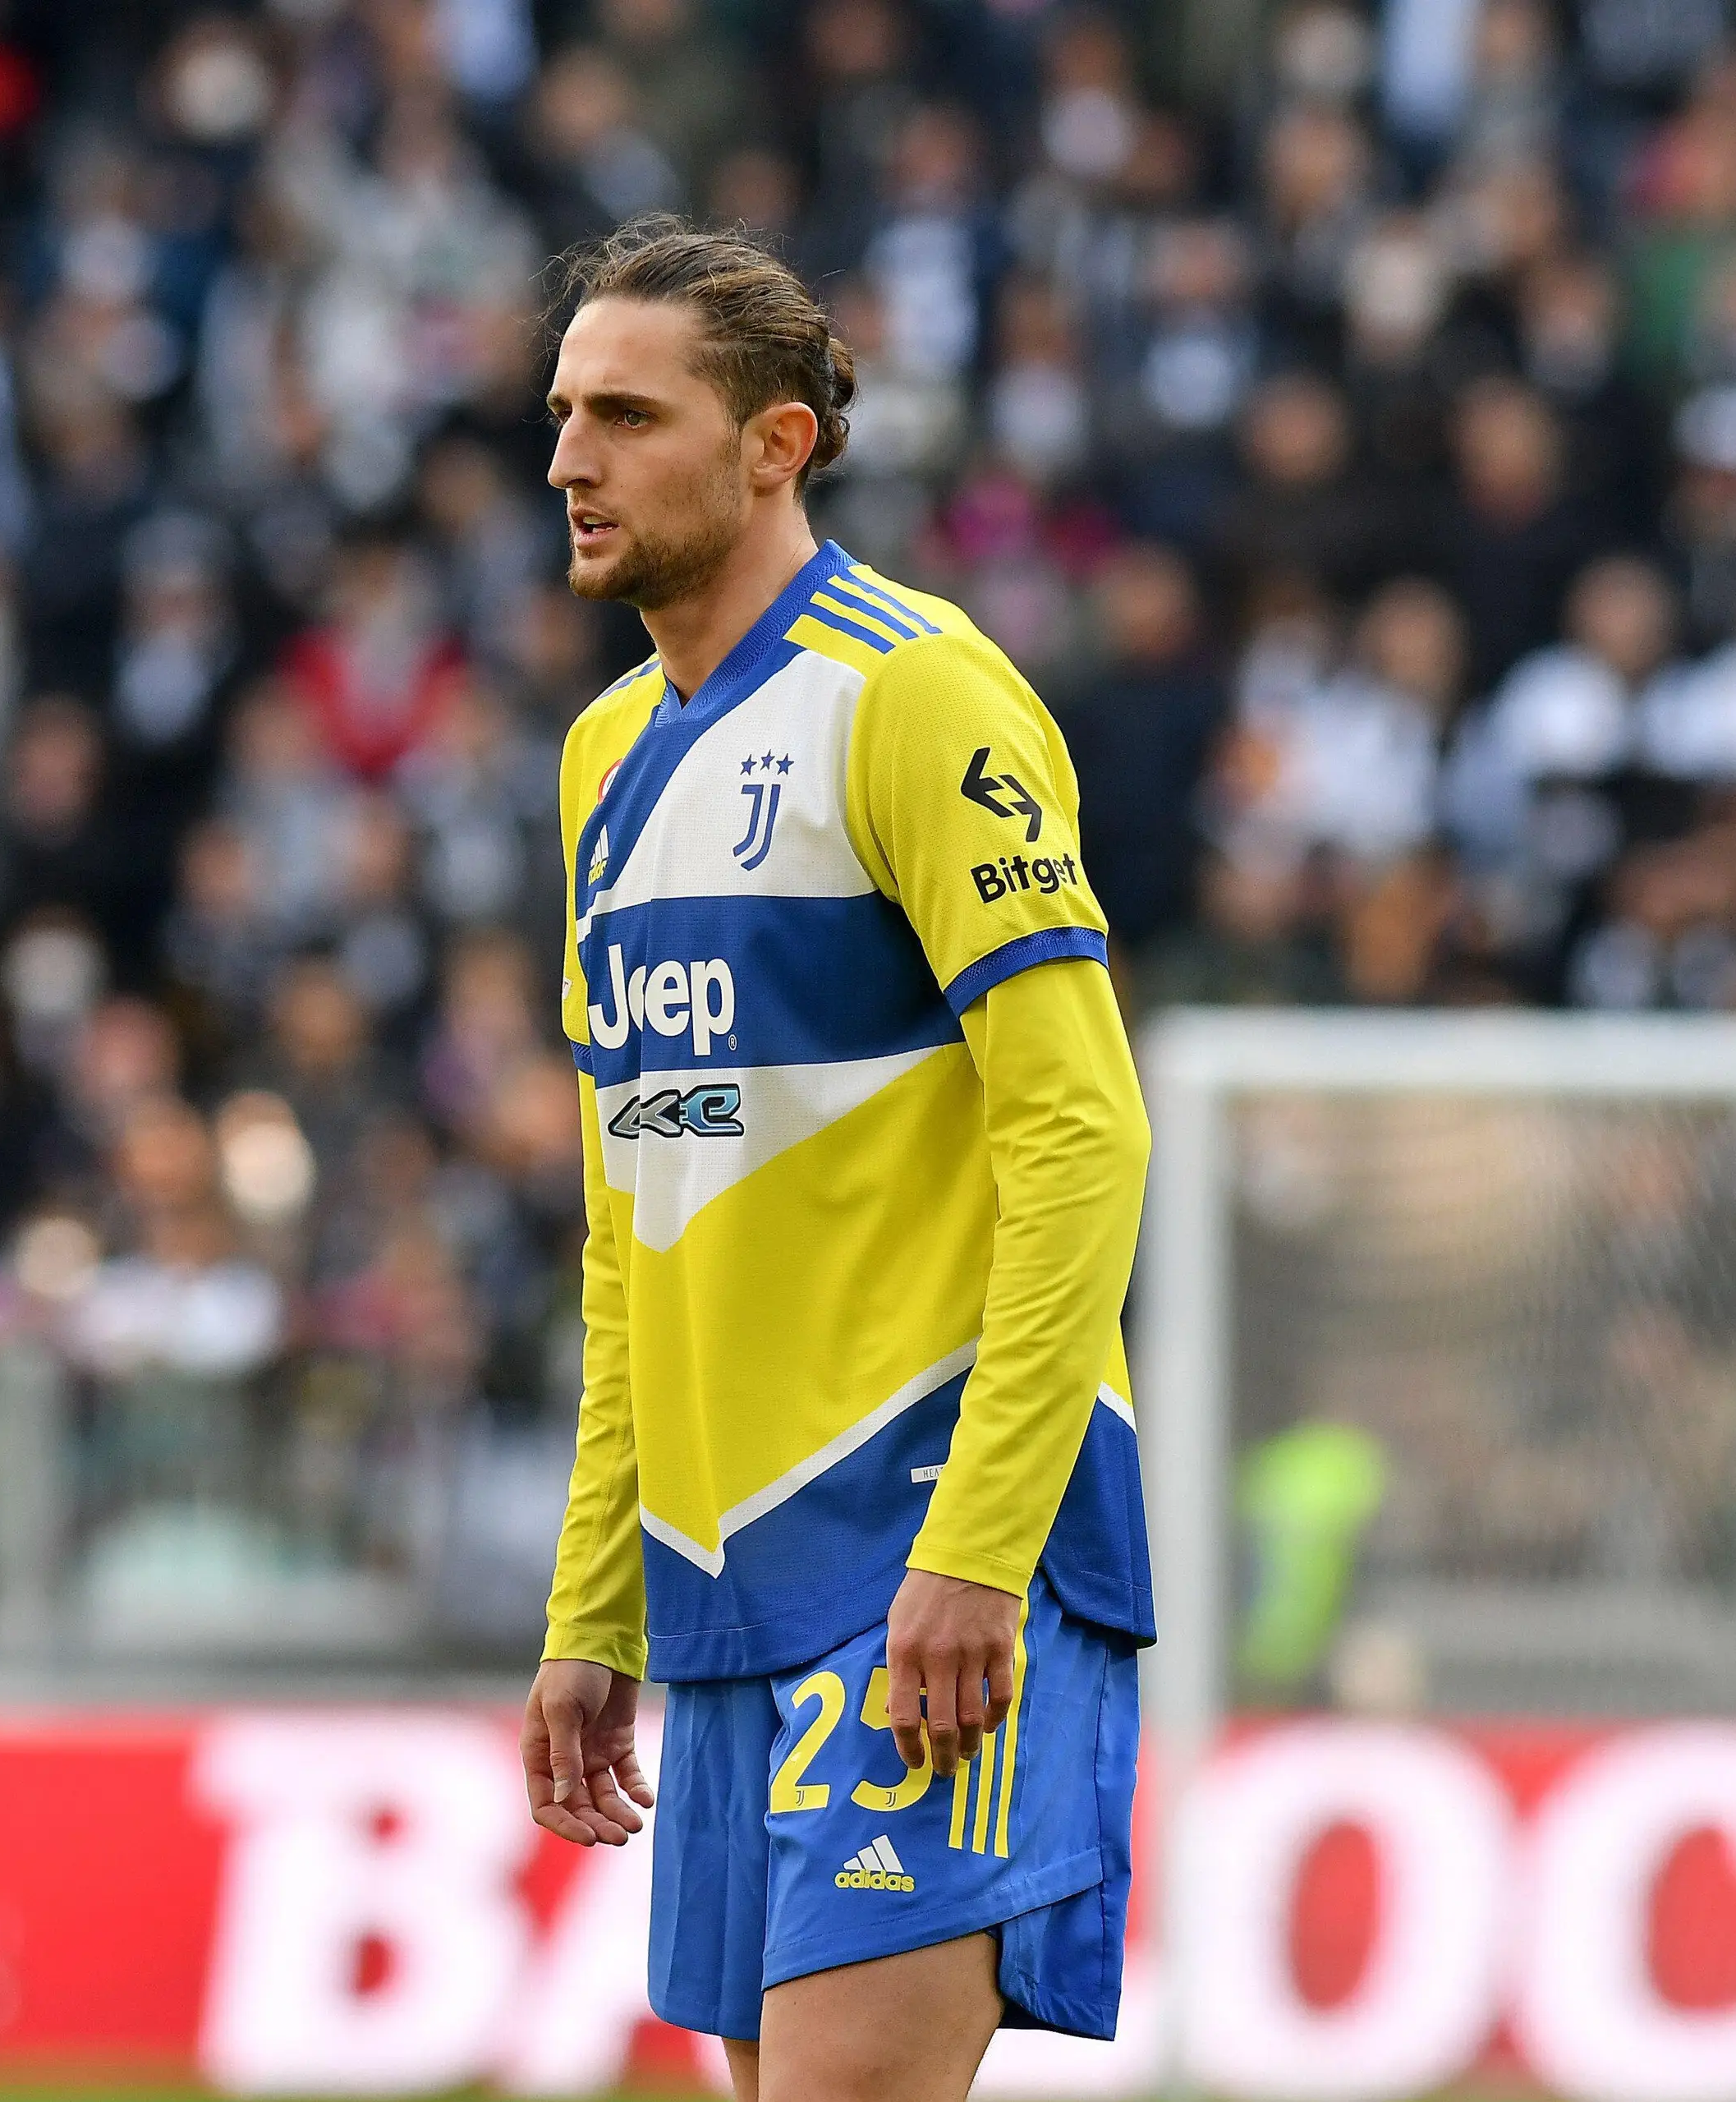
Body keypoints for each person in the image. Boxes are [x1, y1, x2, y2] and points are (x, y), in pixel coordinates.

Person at [520, 218, 1154, 2095]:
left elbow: (1082, 1128)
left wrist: (979, 1540)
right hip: (720, 1571)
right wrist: (595, 1597)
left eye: (626, 415)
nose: (567, 459)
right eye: (562, 413)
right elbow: (629, 1213)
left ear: (774, 443)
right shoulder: (601, 758)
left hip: (915, 1552)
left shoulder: (916, 695)